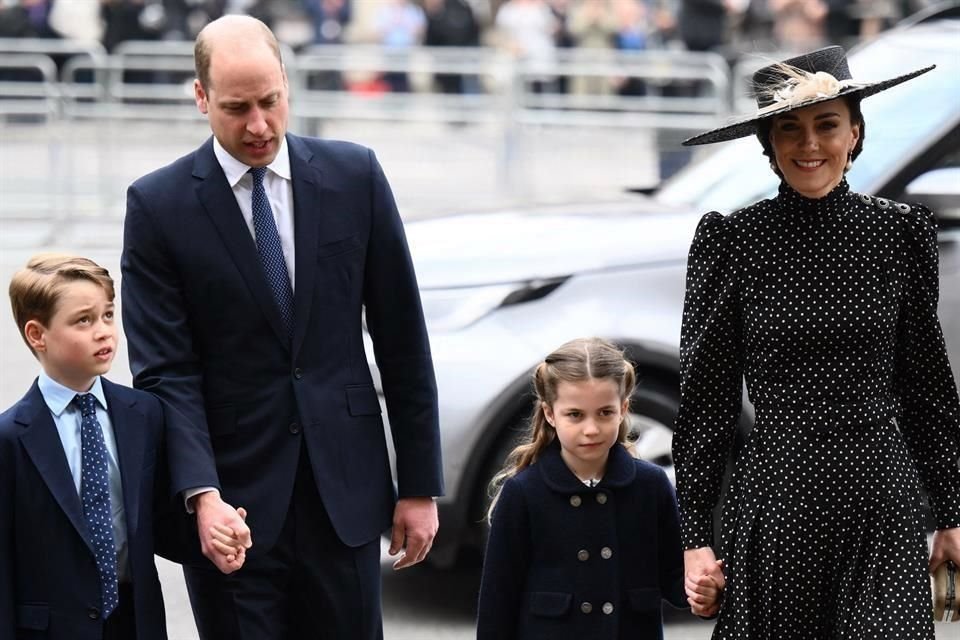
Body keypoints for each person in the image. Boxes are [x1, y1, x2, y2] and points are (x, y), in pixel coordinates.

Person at [120, 14, 444, 639]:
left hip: (344, 496)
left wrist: (420, 487)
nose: (259, 126)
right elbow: (166, 371)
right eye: (237, 108)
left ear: (287, 85)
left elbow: (403, 338)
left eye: (270, 102)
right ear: (200, 97)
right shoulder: (158, 206)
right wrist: (200, 493)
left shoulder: (356, 177)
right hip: (230, 508)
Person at [673, 46, 960, 636]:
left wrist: (952, 513)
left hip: (880, 498)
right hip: (779, 499)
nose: (809, 146)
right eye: (789, 129)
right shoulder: (733, 242)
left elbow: (928, 387)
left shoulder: (900, 233)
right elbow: (706, 403)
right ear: (768, 145)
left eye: (827, 124)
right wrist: (694, 539)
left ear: (855, 132)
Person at [0, 254, 241, 639]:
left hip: (135, 621)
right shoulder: (11, 436)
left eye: (108, 315)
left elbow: (157, 522)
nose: (104, 332)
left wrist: (214, 539)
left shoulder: (143, 414)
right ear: (37, 334)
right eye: (83, 320)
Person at [476, 337, 719, 639]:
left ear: (623, 409)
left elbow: (673, 575)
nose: (591, 429)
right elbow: (498, 599)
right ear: (550, 413)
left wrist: (701, 593)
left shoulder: (651, 485)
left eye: (605, 412)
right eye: (575, 415)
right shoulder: (523, 492)